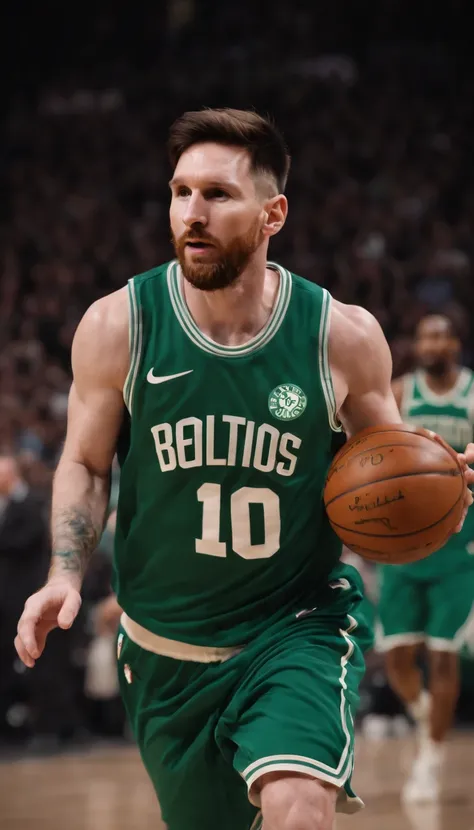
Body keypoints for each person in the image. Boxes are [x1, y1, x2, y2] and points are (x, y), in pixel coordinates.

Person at [15, 110, 474, 830]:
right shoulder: (119, 326)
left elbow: (390, 467)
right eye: (180, 192)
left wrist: (441, 483)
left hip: (294, 626)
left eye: (218, 195)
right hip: (166, 648)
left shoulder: (339, 337)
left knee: (299, 809)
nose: (191, 214)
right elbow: (84, 460)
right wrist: (64, 572)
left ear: (273, 214)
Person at [378, 313, 474, 803]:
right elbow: (374, 454)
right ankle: (424, 714)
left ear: (456, 343)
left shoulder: (473, 394)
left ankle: (430, 764)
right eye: (426, 335)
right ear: (416, 345)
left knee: (443, 659)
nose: (434, 342)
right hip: (404, 543)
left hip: (458, 546)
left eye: (442, 334)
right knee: (396, 659)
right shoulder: (398, 393)